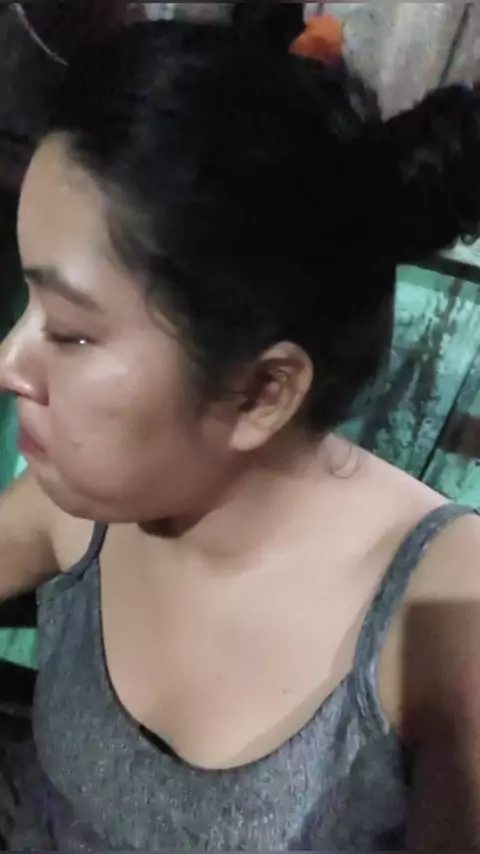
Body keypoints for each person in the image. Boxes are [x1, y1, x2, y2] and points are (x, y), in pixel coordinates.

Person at [0, 5, 479, 849]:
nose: (11, 361)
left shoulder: (443, 611)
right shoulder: (81, 503)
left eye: (69, 333)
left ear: (262, 391)